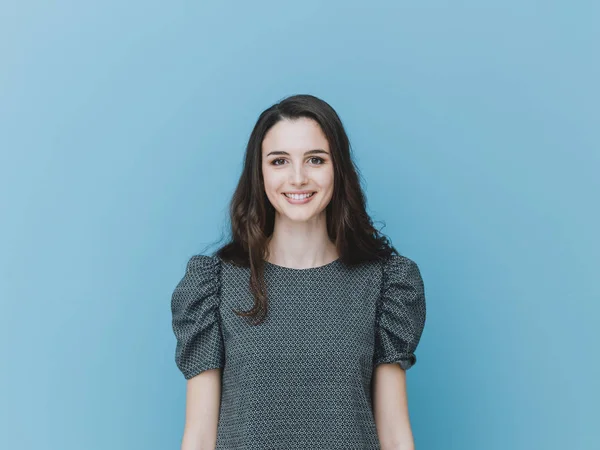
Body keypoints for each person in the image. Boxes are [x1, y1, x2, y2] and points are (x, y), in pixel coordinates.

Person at [170, 94, 427, 449]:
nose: (298, 178)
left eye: (315, 160)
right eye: (279, 161)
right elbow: (198, 436)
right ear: (259, 173)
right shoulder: (214, 286)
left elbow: (395, 433)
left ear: (337, 168)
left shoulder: (384, 284)